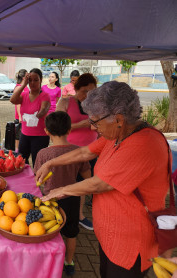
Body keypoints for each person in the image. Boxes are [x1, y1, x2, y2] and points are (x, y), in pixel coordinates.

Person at [36, 81, 169, 278]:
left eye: (96, 121)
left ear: (119, 118)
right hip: (111, 238)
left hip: (130, 245)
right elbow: (84, 153)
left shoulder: (145, 144)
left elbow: (101, 184)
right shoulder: (117, 135)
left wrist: (60, 190)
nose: (92, 127)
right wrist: (50, 164)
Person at [34, 111, 91, 276]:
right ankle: (69, 261)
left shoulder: (43, 154)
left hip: (49, 201)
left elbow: (38, 180)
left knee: (48, 231)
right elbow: (88, 177)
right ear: (69, 130)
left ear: (46, 131)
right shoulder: (78, 151)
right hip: (72, 198)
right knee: (71, 232)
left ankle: (50, 262)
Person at [56, 73, 98, 230]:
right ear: (76, 88)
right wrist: (81, 124)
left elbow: (99, 127)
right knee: (65, 182)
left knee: (84, 184)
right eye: (85, 91)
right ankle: (59, 211)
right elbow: (58, 126)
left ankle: (79, 215)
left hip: (91, 150)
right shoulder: (66, 101)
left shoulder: (95, 106)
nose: (88, 95)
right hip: (69, 151)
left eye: (92, 92)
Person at [10, 68, 50, 167]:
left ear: (40, 80)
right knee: (21, 160)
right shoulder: (24, 95)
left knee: (38, 162)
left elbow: (44, 109)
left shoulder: (45, 95)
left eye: (36, 80)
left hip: (40, 136)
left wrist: (38, 114)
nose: (32, 83)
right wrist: (23, 85)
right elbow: (12, 100)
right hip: (25, 134)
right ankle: (25, 181)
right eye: (30, 80)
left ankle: (37, 181)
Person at [13, 69, 29, 151]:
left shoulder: (25, 87)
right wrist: (20, 116)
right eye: (27, 75)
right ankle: (17, 150)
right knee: (18, 135)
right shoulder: (18, 87)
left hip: (25, 115)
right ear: (23, 78)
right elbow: (18, 103)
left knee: (22, 133)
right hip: (20, 116)